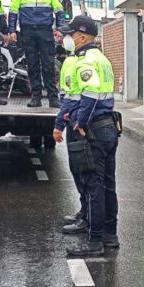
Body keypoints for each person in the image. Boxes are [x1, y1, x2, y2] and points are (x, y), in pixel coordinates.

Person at [54, 15, 120, 258]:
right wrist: (60, 123)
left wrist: (80, 121)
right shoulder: (99, 58)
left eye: (70, 35)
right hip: (106, 127)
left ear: (81, 36)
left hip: (93, 128)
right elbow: (74, 96)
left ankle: (95, 241)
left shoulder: (88, 60)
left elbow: (89, 95)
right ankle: (110, 235)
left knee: (94, 185)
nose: (67, 39)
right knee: (106, 185)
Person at [9, 0, 65, 108]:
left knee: (48, 66)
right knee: (32, 66)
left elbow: (59, 10)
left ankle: (53, 98)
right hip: (27, 32)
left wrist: (60, 29)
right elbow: (13, 11)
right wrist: (12, 30)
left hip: (45, 31)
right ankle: (36, 98)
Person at [55, 35, 88, 234]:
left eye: (70, 34)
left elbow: (70, 97)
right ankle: (84, 212)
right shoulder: (74, 61)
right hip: (76, 119)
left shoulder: (76, 62)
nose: (65, 38)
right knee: (79, 171)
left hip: (77, 123)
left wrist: (59, 124)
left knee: (82, 172)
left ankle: (86, 217)